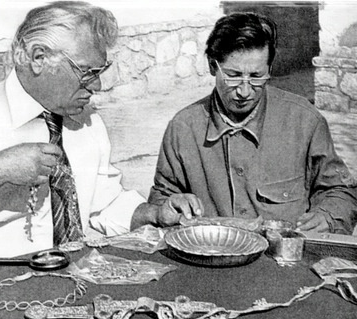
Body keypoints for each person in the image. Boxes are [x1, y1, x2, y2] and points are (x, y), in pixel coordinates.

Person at [0, 1, 187, 267]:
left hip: (75, 275)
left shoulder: (88, 121)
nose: (98, 85)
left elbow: (104, 205)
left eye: (100, 72)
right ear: (38, 58)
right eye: (87, 72)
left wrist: (156, 213)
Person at [148, 12, 357, 235]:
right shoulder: (183, 128)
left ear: (270, 68)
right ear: (212, 66)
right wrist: (169, 207)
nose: (245, 91)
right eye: (233, 75)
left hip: (285, 263)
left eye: (257, 76)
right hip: (211, 262)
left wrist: (327, 216)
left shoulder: (304, 121)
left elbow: (342, 191)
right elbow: (162, 204)